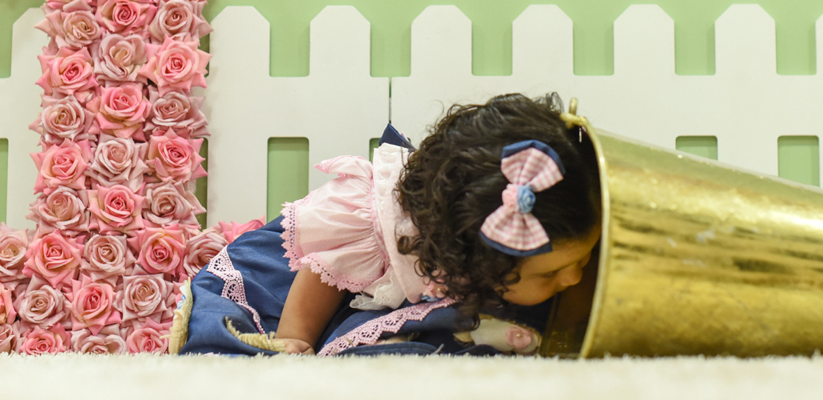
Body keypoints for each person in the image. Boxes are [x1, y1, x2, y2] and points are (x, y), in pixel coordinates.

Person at [175, 93, 602, 356]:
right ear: (475, 263)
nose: (574, 278)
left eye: (583, 259)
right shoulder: (374, 226)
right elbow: (322, 272)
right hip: (284, 288)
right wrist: (295, 341)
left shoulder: (532, 235)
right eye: (550, 274)